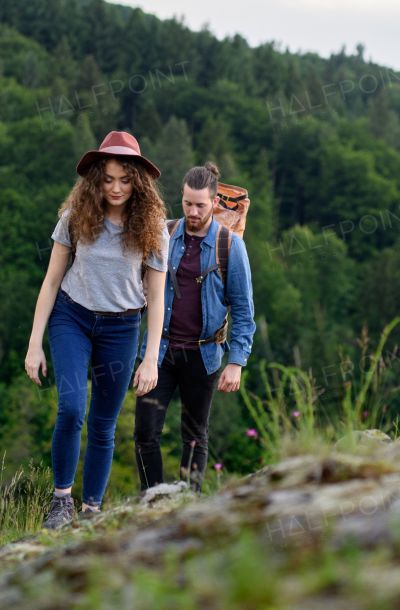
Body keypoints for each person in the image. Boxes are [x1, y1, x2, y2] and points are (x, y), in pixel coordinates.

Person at [24, 131, 169, 530]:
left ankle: (91, 511)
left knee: (104, 423)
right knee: (71, 409)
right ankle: (61, 502)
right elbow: (51, 281)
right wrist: (34, 344)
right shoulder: (74, 218)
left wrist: (151, 357)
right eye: (108, 179)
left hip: (122, 327)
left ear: (138, 180)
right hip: (73, 317)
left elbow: (156, 298)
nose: (116, 188)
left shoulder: (155, 230)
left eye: (125, 179)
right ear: (95, 180)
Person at [134, 161, 256, 492]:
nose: (192, 210)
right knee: (146, 432)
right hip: (160, 351)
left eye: (200, 205)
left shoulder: (230, 246)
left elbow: (243, 309)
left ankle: (188, 505)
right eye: (187, 202)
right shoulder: (165, 233)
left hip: (204, 356)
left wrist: (236, 362)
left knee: (194, 435)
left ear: (215, 203)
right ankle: (153, 500)